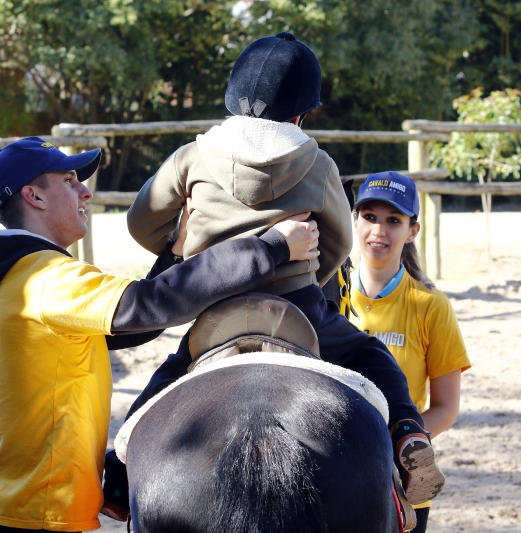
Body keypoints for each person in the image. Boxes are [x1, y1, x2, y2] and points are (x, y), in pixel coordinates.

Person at [106, 32, 445, 516]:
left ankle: (118, 480)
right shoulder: (317, 161)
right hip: (298, 301)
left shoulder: (192, 156)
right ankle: (409, 432)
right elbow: (338, 243)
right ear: (303, 112)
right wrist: (305, 272)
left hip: (212, 302)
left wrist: (181, 247)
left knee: (170, 378)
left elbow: (142, 223)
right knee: (369, 352)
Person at [0, 136, 319, 533]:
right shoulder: (46, 279)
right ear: (34, 196)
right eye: (68, 181)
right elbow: (149, 304)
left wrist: (175, 253)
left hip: (9, 503)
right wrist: (272, 249)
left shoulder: (16, 275)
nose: (86, 191)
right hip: (33, 515)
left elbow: (130, 326)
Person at [348, 171, 472, 532]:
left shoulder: (430, 306)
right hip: (334, 467)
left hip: (402, 479)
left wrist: (392, 444)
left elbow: (446, 409)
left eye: (393, 221)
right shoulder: (329, 297)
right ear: (354, 220)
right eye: (369, 217)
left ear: (412, 230)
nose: (379, 231)